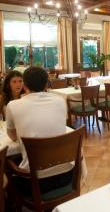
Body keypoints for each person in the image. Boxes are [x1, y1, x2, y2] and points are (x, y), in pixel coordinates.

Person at [6, 66, 72, 194]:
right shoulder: (60, 100)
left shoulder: (13, 105)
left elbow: (13, 137)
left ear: (24, 85)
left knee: (8, 166)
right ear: (47, 83)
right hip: (67, 175)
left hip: (33, 181)